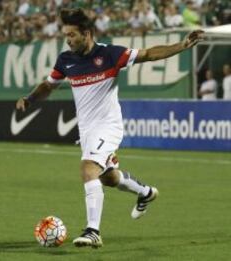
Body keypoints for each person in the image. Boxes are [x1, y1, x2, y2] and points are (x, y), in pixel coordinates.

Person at [16, 8, 204, 248]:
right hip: (87, 130)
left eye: (72, 35)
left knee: (88, 169)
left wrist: (182, 45)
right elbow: (48, 85)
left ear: (87, 33)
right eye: (66, 35)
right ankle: (145, 192)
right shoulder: (66, 59)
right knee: (109, 177)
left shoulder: (111, 55)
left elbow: (149, 54)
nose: (68, 39)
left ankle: (93, 231)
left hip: (108, 126)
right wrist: (30, 99)